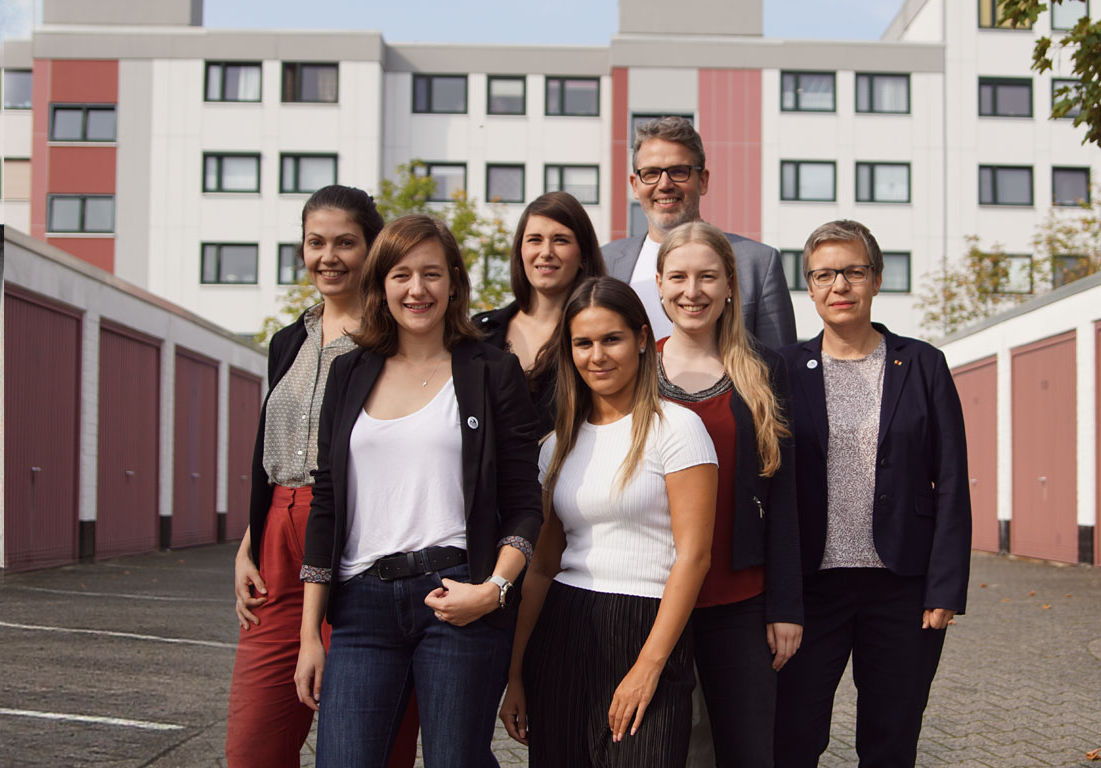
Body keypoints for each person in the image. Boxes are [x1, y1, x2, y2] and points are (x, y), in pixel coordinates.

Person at [294, 213, 546, 768]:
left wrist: (494, 590)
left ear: (454, 281)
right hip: (362, 604)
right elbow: (328, 502)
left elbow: (526, 506)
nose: (417, 289)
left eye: (432, 274)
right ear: (380, 284)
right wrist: (311, 632)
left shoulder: (492, 371)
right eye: (401, 274)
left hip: (459, 597)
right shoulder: (348, 372)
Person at [228, 185, 416, 768]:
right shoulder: (290, 340)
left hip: (357, 543)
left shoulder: (395, 342)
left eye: (345, 243)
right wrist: (248, 542)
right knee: (252, 747)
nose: (328, 256)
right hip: (278, 548)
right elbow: (271, 447)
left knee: (364, 744)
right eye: (315, 242)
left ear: (374, 249)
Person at [773, 220, 970, 768]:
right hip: (810, 589)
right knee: (792, 735)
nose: (840, 285)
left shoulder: (923, 363)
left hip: (901, 587)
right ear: (809, 288)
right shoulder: (783, 369)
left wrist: (945, 587)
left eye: (854, 272)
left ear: (876, 280)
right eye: (825, 275)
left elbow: (951, 476)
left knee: (891, 738)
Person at [499, 276, 718, 768]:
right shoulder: (557, 446)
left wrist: (648, 665)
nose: (597, 355)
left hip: (649, 628)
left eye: (611, 339)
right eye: (583, 343)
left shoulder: (679, 429)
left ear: (642, 339)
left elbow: (695, 558)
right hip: (563, 627)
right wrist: (515, 673)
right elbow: (541, 566)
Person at [652, 222, 803, 768]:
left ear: (730, 285)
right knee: (660, 749)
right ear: (660, 285)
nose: (693, 291)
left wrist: (786, 605)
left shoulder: (765, 369)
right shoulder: (636, 367)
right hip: (651, 593)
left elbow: (784, 495)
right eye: (679, 277)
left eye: (707, 277)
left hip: (739, 599)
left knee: (745, 750)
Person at [602, 116, 795, 349]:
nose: (664, 184)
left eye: (678, 171)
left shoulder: (758, 264)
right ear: (635, 185)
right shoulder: (606, 262)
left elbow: (780, 368)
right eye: (651, 173)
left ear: (703, 181)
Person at [473, 191, 611, 414]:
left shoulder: (603, 338)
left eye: (560, 240)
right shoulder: (481, 331)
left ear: (584, 255)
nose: (546, 252)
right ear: (520, 251)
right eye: (535, 240)